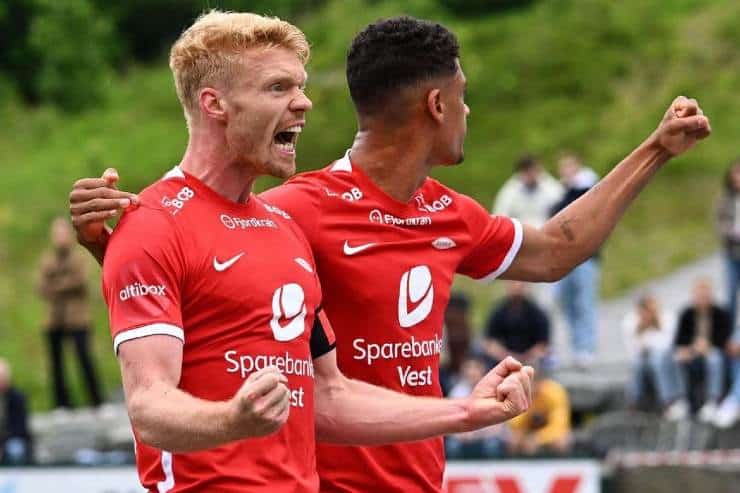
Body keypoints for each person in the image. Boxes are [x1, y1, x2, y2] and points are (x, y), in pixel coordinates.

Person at [69, 15, 711, 493]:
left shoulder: (316, 225)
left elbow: (324, 390)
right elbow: (161, 368)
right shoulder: (289, 209)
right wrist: (125, 241)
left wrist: (467, 411)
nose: (303, 102)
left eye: (299, 86)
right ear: (437, 104)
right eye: (278, 87)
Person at [36, 217, 103, 408]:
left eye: (63, 233)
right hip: (53, 319)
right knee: (56, 364)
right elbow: (41, 286)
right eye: (56, 233)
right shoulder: (47, 258)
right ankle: (61, 404)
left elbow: (80, 281)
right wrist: (64, 282)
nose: (60, 237)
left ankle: (96, 401)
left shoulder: (78, 257)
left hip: (77, 318)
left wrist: (55, 282)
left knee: (84, 358)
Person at [550, 153, 601, 367]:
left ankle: (587, 347)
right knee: (568, 303)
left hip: (586, 258)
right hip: (563, 258)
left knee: (584, 302)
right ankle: (576, 348)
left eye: (570, 168)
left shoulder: (585, 190)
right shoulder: (560, 194)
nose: (567, 172)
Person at [674, 278, 731, 422]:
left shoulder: (720, 313)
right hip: (693, 353)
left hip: (714, 352)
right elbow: (679, 340)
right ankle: (682, 400)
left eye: (705, 296)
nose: (702, 300)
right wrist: (690, 348)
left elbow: (725, 339)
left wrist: (708, 345)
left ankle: (713, 401)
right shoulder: (687, 314)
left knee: (715, 358)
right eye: (699, 296)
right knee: (677, 358)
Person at [621, 294, 687, 420]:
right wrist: (642, 330)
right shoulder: (630, 322)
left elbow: (665, 345)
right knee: (637, 364)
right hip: (642, 358)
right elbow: (632, 351)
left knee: (657, 360)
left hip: (664, 357)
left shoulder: (667, 318)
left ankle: (667, 401)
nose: (648, 315)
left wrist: (649, 334)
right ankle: (635, 402)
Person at [445, 357, 509, 459]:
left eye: (475, 368)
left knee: (493, 445)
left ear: (482, 369)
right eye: (468, 369)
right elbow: (451, 422)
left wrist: (476, 434)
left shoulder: (495, 389)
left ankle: (493, 472)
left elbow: (498, 426)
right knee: (452, 445)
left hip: (488, 435)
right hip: (464, 436)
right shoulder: (457, 391)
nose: (471, 372)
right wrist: (464, 434)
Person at [483, 281, 550, 366]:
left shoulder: (537, 313)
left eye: (521, 285)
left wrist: (527, 357)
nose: (517, 287)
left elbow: (543, 344)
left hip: (531, 360)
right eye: (513, 284)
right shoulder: (498, 311)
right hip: (502, 360)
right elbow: (489, 342)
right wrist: (506, 356)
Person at [508, 367, 571, 457]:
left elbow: (559, 426)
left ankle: (558, 467)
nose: (531, 387)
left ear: (542, 382)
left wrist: (537, 438)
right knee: (513, 440)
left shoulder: (555, 392)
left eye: (534, 382)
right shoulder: (519, 392)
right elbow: (515, 425)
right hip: (528, 429)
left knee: (562, 441)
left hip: (549, 430)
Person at [493, 154, 564, 228]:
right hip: (523, 234)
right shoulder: (509, 193)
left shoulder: (550, 186)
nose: (532, 175)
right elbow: (501, 216)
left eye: (534, 170)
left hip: (547, 231)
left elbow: (562, 206)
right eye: (528, 172)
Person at [715, 159, 740, 327]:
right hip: (732, 254)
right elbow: (719, 225)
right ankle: (729, 333)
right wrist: (732, 232)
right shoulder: (724, 200)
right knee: (731, 293)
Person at [0, 358, 31, 465]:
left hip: (12, 439)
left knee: (15, 448)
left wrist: (3, 445)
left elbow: (20, 428)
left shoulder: (17, 398)